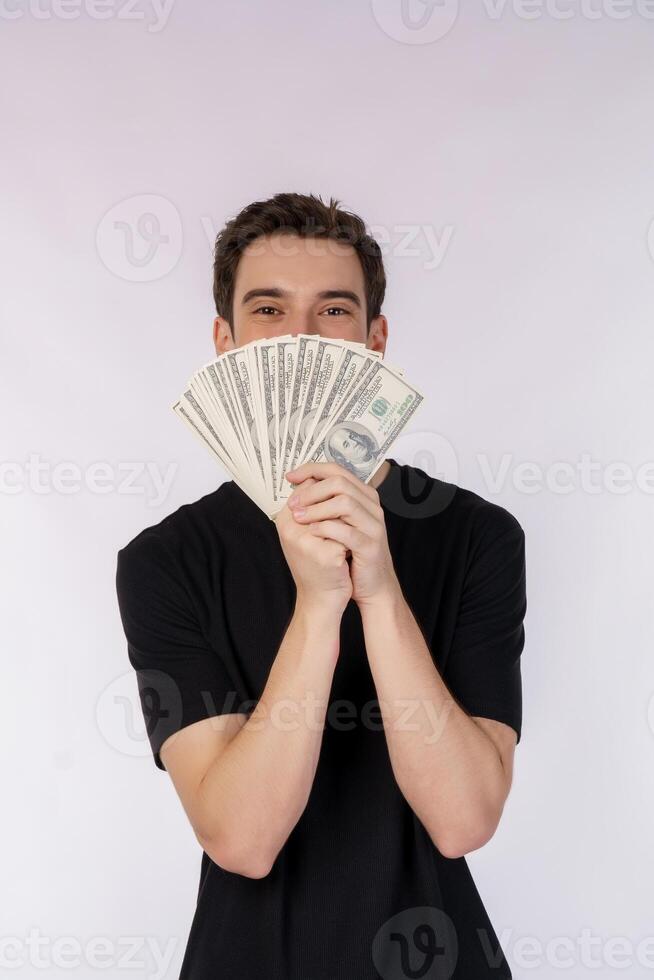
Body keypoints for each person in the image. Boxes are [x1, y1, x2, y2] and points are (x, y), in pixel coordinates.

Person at [115, 192, 527, 980]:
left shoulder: (477, 535)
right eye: (268, 308)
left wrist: (378, 589)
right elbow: (241, 837)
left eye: (333, 309)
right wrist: (319, 602)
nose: (300, 337)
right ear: (225, 342)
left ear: (375, 342)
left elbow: (464, 820)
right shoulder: (165, 560)